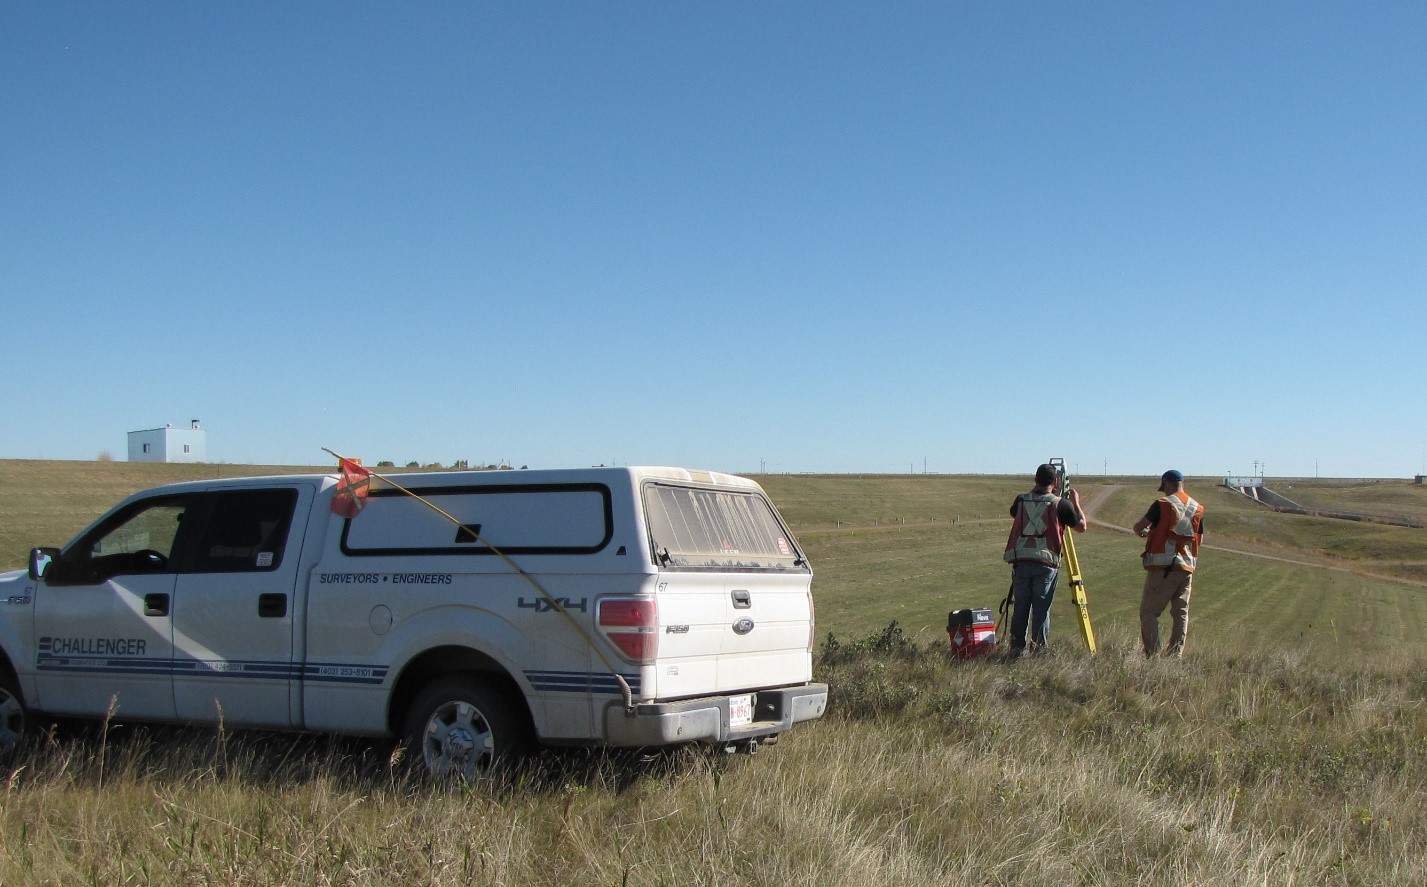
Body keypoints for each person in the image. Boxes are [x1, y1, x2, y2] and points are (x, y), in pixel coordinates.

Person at [1003, 464, 1087, 655]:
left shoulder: (1021, 500)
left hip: (1022, 560)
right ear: (1056, 482)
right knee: (1041, 610)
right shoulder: (1060, 504)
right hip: (1046, 563)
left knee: (1021, 607)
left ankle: (1016, 649)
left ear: (1035, 479)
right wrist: (1076, 503)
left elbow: (1014, 513)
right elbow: (1081, 527)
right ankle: (1038, 651)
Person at [1132, 469, 1206, 657]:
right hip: (1187, 567)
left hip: (1163, 567)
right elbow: (1199, 540)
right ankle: (1175, 655)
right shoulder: (1197, 507)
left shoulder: (1162, 504)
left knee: (1149, 613)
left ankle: (1153, 655)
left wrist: (1149, 534)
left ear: (1166, 483)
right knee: (1181, 613)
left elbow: (1139, 527)